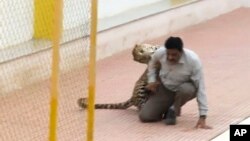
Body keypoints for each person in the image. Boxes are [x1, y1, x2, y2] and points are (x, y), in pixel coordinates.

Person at [139, 36, 212, 129]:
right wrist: (152, 80)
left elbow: (201, 87)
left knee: (188, 89)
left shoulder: (193, 60)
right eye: (168, 54)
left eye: (174, 55)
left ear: (181, 51)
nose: (170, 57)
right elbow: (152, 64)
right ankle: (165, 109)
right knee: (145, 117)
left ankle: (173, 109)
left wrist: (203, 116)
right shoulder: (160, 53)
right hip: (165, 87)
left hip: (183, 89)